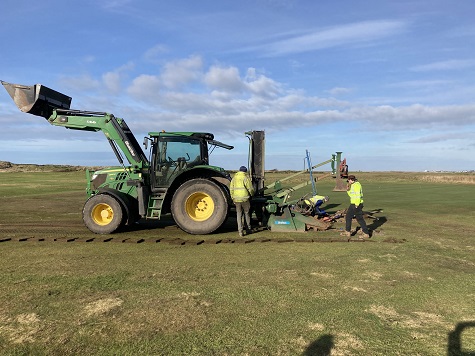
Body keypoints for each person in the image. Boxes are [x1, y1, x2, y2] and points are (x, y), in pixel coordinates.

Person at [230, 166, 255, 237]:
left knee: (239, 215)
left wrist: (233, 198)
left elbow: (231, 189)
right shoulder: (245, 178)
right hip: (245, 199)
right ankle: (248, 229)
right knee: (247, 213)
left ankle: (240, 232)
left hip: (236, 199)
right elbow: (250, 189)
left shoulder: (234, 178)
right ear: (245, 171)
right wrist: (252, 195)